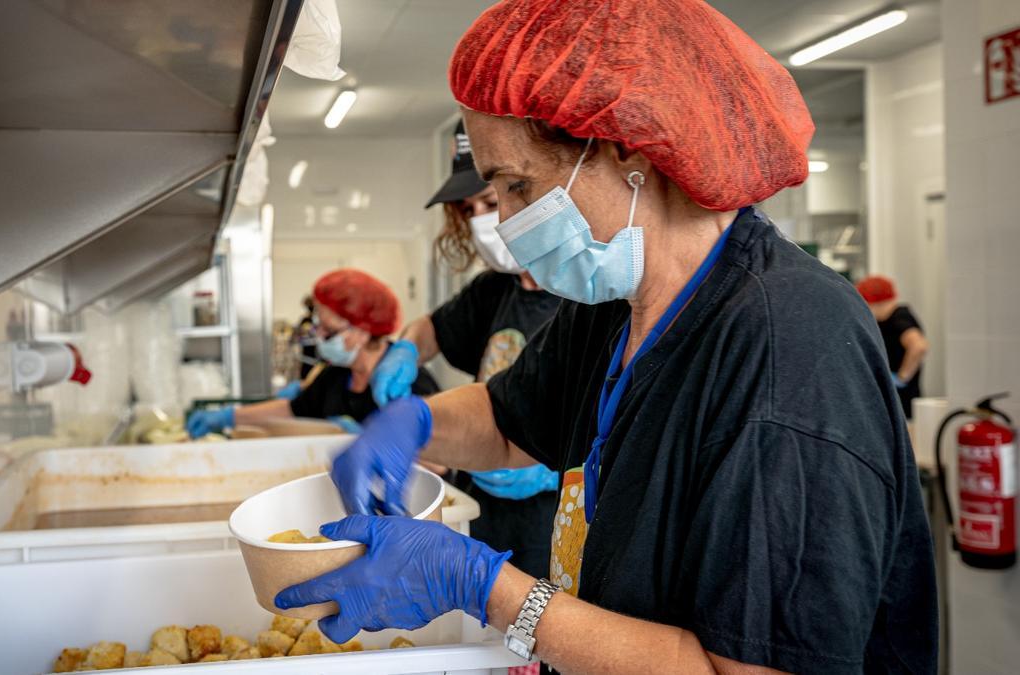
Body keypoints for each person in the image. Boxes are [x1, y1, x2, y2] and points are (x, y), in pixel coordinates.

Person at [273, 2, 938, 673]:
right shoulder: (619, 299)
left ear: (626, 149)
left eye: (516, 183)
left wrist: (485, 588)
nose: (503, 219)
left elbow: (751, 668)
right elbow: (509, 419)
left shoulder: (787, 346)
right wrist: (412, 421)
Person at [370, 121, 562, 577]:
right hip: (486, 510)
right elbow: (431, 328)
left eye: (492, 201)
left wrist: (555, 467)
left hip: (554, 519)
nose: (482, 220)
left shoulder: (586, 296)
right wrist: (405, 351)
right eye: (468, 208)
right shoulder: (493, 290)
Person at [187, 269, 439, 437]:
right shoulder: (336, 377)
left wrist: (363, 439)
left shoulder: (407, 381)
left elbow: (440, 464)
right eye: (318, 327)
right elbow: (292, 409)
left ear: (362, 331)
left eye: (328, 331)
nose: (319, 338)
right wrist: (228, 417)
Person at [856, 275, 929, 418]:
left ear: (873, 302)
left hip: (904, 402)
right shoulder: (886, 320)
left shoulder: (899, 318)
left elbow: (919, 346)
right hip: (896, 400)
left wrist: (901, 378)